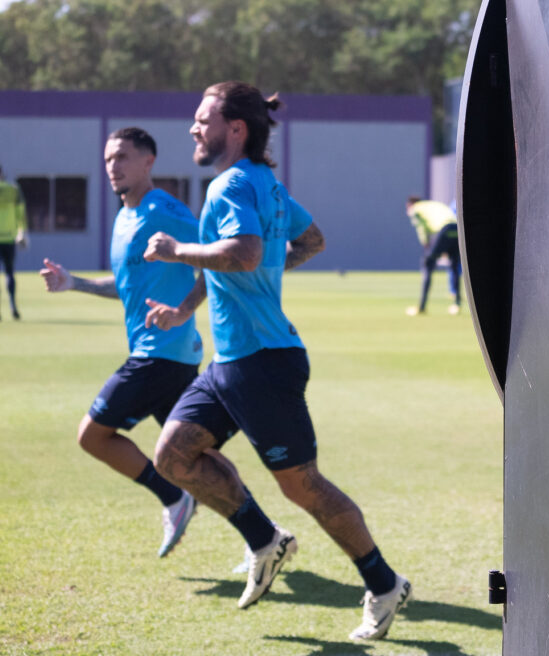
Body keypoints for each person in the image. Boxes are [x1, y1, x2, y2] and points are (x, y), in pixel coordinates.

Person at [142, 81, 412, 640]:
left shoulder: (230, 184)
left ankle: (384, 584)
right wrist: (185, 308)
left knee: (303, 485)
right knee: (172, 456)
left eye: (203, 119)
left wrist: (177, 250)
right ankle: (266, 540)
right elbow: (311, 241)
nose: (194, 128)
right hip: (230, 364)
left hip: (261, 364)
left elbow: (242, 253)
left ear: (234, 129)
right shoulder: (268, 184)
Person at [39, 127, 201, 558]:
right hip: (164, 354)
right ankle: (262, 533)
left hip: (162, 352)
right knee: (195, 460)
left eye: (123, 157)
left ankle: (173, 497)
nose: (113, 166)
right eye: (109, 158)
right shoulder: (123, 218)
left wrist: (183, 310)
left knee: (92, 435)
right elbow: (128, 287)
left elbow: (218, 256)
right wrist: (73, 283)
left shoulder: (165, 209)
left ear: (149, 162)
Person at [405, 196, 462, 316]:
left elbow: (421, 228)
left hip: (444, 229)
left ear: (410, 205)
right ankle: (456, 304)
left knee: (427, 264)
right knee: (454, 266)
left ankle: (421, 307)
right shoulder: (431, 204)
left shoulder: (415, 209)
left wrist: (425, 243)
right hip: (456, 229)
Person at [0, 165, 28, 320]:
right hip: (9, 238)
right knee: (9, 273)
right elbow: (21, 214)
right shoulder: (13, 190)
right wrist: (22, 232)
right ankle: (13, 306)